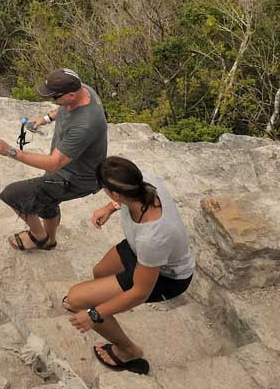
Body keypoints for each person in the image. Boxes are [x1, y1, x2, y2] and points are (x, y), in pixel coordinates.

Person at [61, 157, 195, 375]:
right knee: (100, 272)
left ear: (115, 193)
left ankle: (129, 350)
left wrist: (94, 314)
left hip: (166, 276)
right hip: (139, 251)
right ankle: (103, 303)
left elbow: (140, 293)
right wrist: (109, 208)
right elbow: (123, 198)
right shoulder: (142, 180)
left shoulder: (153, 237)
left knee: (78, 301)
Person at [0, 68, 108, 252]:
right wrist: (45, 118)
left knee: (12, 195)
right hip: (66, 170)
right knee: (47, 202)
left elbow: (54, 162)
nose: (52, 100)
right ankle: (50, 240)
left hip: (73, 178)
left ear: (71, 94)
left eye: (54, 97)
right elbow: (63, 107)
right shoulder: (83, 90)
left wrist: (10, 151)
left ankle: (39, 237)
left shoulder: (85, 125)